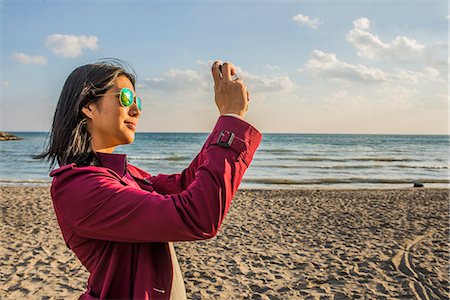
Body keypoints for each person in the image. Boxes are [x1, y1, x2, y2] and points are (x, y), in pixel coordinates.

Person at [33, 59, 262, 299]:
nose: (136, 110)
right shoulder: (79, 187)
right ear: (88, 106)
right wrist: (231, 117)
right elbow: (197, 216)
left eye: (137, 101)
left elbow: (186, 184)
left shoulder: (126, 176)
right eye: (124, 99)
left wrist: (228, 121)